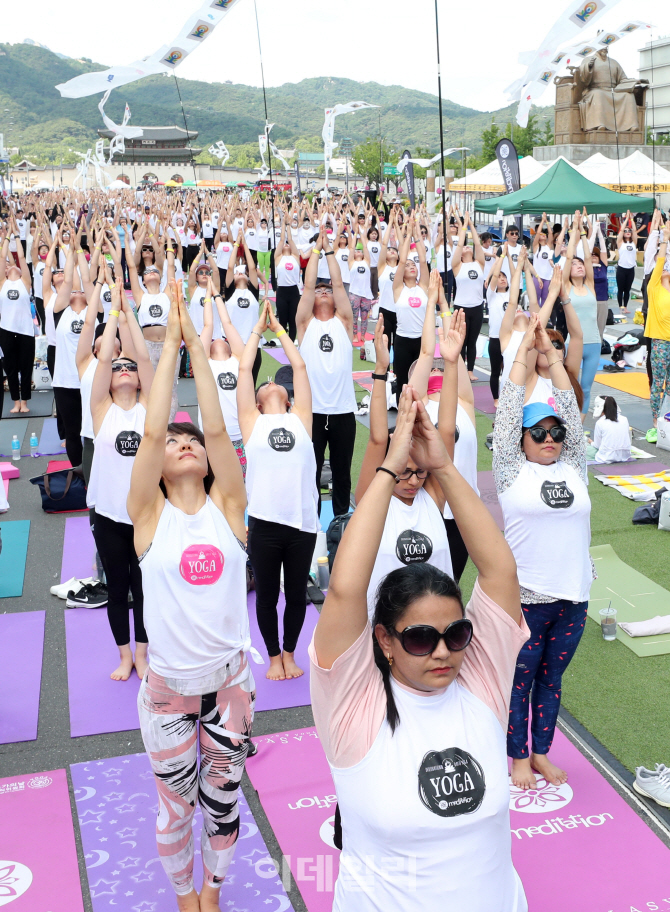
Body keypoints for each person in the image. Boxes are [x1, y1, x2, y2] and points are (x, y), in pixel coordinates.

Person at [310, 385, 529, 912]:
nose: (442, 653)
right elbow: (344, 590)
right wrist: (387, 470)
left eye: (456, 634)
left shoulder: (480, 680)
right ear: (383, 640)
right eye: (419, 638)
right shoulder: (354, 706)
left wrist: (443, 466)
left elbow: (499, 569)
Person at [129, 282, 252, 912]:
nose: (185, 444)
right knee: (174, 810)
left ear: (210, 463)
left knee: (223, 803)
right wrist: (171, 341)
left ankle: (214, 886)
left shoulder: (230, 510)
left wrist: (200, 356)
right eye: (175, 444)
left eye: (194, 444)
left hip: (229, 687)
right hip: (169, 692)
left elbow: (217, 425)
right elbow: (153, 431)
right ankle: (184, 894)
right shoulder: (148, 516)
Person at [494, 313, 591, 791]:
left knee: (552, 683)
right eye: (539, 434)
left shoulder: (575, 467)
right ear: (521, 440)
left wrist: (551, 355)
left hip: (575, 596)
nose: (550, 439)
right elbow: (511, 405)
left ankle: (541, 752)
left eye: (555, 433)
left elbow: (571, 409)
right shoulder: (512, 472)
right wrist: (522, 353)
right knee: (520, 683)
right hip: (529, 597)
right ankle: (516, 759)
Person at [356, 309, 458, 617]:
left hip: (439, 624)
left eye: (420, 473)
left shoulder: (433, 498)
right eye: (403, 474)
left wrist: (451, 365)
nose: (413, 481)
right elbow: (376, 439)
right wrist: (380, 369)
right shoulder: (373, 501)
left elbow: (447, 430)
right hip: (386, 626)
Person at [239, 301, 318, 681]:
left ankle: (290, 653)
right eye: (264, 382)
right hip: (265, 523)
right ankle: (273, 658)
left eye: (276, 382)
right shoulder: (251, 422)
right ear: (256, 400)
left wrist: (280, 330)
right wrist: (258, 328)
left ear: (287, 396)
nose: (271, 380)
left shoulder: (301, 418)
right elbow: (244, 367)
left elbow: (299, 366)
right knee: (268, 596)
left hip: (302, 521)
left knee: (297, 594)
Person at [88, 281, 154, 680]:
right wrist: (111, 314)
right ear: (110, 381)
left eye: (129, 368)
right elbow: (102, 362)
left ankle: (143, 655)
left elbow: (144, 358)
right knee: (117, 587)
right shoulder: (102, 410)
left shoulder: (148, 408)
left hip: (146, 515)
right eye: (118, 368)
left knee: (145, 589)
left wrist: (127, 308)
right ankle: (125, 655)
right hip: (110, 515)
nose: (125, 370)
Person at [411, 272, 478, 581]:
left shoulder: (463, 402)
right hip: (429, 507)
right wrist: (429, 306)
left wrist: (444, 307)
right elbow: (428, 352)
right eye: (430, 369)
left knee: (452, 585)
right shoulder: (419, 404)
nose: (437, 368)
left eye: (441, 367)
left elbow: (453, 352)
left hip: (464, 510)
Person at [297, 226, 357, 518]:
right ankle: (310, 523)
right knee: (311, 471)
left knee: (342, 474)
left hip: (343, 412)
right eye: (318, 290)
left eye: (327, 290)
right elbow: (308, 287)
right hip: (313, 412)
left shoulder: (344, 322)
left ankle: (341, 522)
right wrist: (316, 251)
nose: (322, 292)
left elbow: (339, 282)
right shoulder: (305, 324)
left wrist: (330, 250)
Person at [563, 211, 599, 420]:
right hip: (573, 344)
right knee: (571, 386)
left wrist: (584, 234)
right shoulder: (566, 286)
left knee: (586, 387)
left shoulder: (590, 285)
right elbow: (569, 257)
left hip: (593, 343)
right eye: (574, 266)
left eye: (580, 266)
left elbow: (587, 257)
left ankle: (579, 426)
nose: (578, 267)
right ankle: (568, 420)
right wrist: (573, 231)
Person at [392, 218, 429, 402]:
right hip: (403, 341)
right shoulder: (399, 289)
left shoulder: (423, 286)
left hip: (422, 341)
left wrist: (416, 234)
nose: (411, 267)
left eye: (412, 265)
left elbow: (423, 259)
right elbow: (401, 261)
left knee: (421, 382)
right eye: (408, 265)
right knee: (403, 383)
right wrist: (406, 235)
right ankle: (402, 419)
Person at [0, 223, 34, 414]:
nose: (13, 267)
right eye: (8, 266)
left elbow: (21, 256)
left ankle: (25, 401)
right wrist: (6, 237)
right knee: (11, 368)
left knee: (26, 367)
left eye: (17, 267)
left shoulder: (25, 283)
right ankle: (15, 402)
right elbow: (2, 257)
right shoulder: (2, 283)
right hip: (5, 330)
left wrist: (16, 236)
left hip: (25, 331)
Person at [451, 213, 486, 381]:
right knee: (461, 342)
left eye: (468, 247)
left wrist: (471, 225)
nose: (467, 248)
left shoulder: (479, 263)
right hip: (461, 307)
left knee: (472, 341)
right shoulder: (458, 266)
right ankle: (459, 369)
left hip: (477, 307)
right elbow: (458, 245)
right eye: (465, 247)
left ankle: (470, 371)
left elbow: (478, 244)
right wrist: (463, 226)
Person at [645, 222, 670, 432]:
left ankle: (667, 417)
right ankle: (655, 418)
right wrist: (665, 239)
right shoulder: (654, 287)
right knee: (658, 383)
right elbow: (661, 259)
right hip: (661, 341)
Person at [274, 215, 301, 342]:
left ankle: (291, 342)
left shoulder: (295, 257)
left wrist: (288, 225)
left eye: (287, 245)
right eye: (284, 245)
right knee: (283, 321)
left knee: (293, 320)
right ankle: (285, 343)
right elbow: (282, 240)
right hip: (282, 292)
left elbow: (289, 239)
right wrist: (283, 224)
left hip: (294, 292)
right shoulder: (278, 258)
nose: (286, 245)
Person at [591, 395, 631, 464]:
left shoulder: (600, 422)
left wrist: (590, 442)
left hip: (606, 457)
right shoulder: (624, 419)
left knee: (587, 449)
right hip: (625, 455)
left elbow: (597, 445)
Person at [615, 211, 638, 315]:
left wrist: (631, 219)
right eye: (626, 231)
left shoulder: (633, 242)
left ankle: (626, 306)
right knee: (621, 289)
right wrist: (625, 220)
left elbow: (635, 232)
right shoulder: (620, 243)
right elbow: (620, 231)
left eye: (629, 231)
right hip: (621, 268)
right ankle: (621, 307)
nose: (628, 232)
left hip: (630, 269)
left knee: (627, 289)